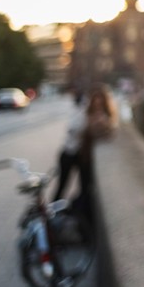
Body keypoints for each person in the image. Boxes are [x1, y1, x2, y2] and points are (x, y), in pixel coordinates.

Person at [54, 86, 116, 215]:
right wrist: (89, 125)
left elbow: (109, 134)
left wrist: (102, 123)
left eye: (100, 102)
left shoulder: (106, 117)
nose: (97, 105)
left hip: (84, 157)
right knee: (62, 186)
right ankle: (50, 217)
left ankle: (76, 215)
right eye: (95, 102)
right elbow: (72, 130)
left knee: (85, 188)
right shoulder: (83, 113)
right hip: (69, 154)